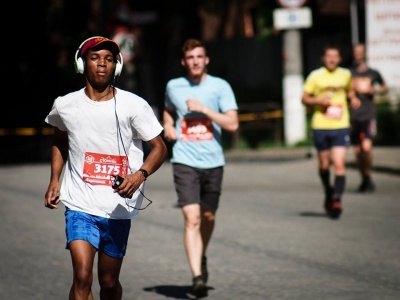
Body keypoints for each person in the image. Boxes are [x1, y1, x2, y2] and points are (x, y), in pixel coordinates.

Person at [44, 36, 167, 300]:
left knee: (109, 282)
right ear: (82, 63)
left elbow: (160, 148)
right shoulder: (65, 105)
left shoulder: (133, 105)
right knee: (83, 277)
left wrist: (139, 175)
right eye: (95, 58)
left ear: (116, 67)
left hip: (118, 208)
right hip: (80, 203)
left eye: (109, 59)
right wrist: (55, 178)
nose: (102, 64)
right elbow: (59, 140)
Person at [163, 38, 239, 297]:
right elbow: (168, 110)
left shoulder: (220, 87)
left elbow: (232, 124)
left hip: (213, 161)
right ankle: (197, 276)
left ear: (206, 60)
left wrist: (205, 109)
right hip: (184, 160)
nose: (195, 61)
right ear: (184, 62)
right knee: (192, 218)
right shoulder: (174, 86)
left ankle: (201, 254)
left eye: (199, 57)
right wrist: (169, 125)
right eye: (190, 58)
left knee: (208, 217)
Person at [302, 45, 358, 219]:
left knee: (339, 163)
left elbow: (350, 90)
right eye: (329, 56)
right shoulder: (315, 76)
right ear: (323, 58)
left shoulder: (346, 74)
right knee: (324, 165)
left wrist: (353, 98)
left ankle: (336, 199)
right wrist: (317, 100)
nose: (332, 59)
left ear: (339, 59)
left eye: (335, 56)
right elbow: (304, 98)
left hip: (340, 125)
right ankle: (328, 190)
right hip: (320, 125)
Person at [349, 43, 387, 193]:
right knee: (358, 152)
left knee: (366, 148)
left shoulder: (373, 72)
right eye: (355, 52)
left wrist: (374, 89)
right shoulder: (349, 73)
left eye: (360, 52)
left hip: (368, 114)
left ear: (364, 54)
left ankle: (368, 175)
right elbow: (345, 90)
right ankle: (364, 178)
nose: (357, 55)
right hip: (353, 116)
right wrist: (351, 96)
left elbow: (384, 86)